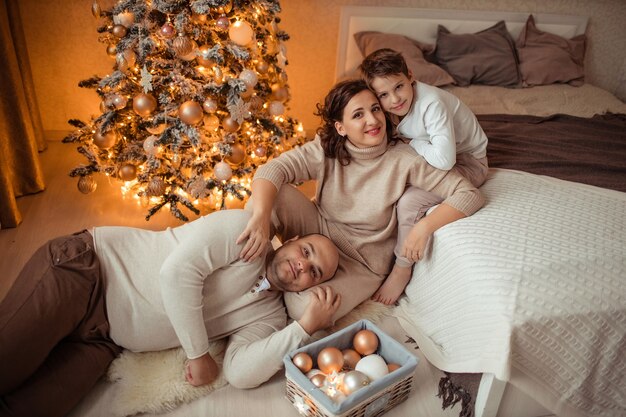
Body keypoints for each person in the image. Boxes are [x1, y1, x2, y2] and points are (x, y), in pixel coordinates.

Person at [0, 209, 340, 417]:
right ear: (292, 240)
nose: (302, 266)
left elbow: (240, 372)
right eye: (305, 251)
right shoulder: (247, 234)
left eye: (315, 272)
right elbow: (176, 275)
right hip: (85, 273)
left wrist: (305, 326)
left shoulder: (270, 316)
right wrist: (198, 354)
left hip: (103, 341)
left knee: (33, 408)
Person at [236, 79, 484, 320]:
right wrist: (260, 218)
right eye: (358, 115)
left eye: (375, 109)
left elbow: (468, 193)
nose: (373, 120)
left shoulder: (405, 159)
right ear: (340, 127)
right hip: (318, 229)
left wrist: (425, 226)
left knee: (306, 310)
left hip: (360, 261)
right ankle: (247, 270)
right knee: (268, 199)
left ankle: (272, 283)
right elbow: (272, 170)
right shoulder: (326, 148)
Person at [359, 48, 490, 304]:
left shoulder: (432, 104)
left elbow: (444, 160)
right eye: (383, 95)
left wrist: (412, 143)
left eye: (399, 86)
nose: (395, 99)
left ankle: (402, 267)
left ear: (411, 77)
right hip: (434, 157)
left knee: (409, 202)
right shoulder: (388, 108)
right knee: (384, 184)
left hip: (468, 162)